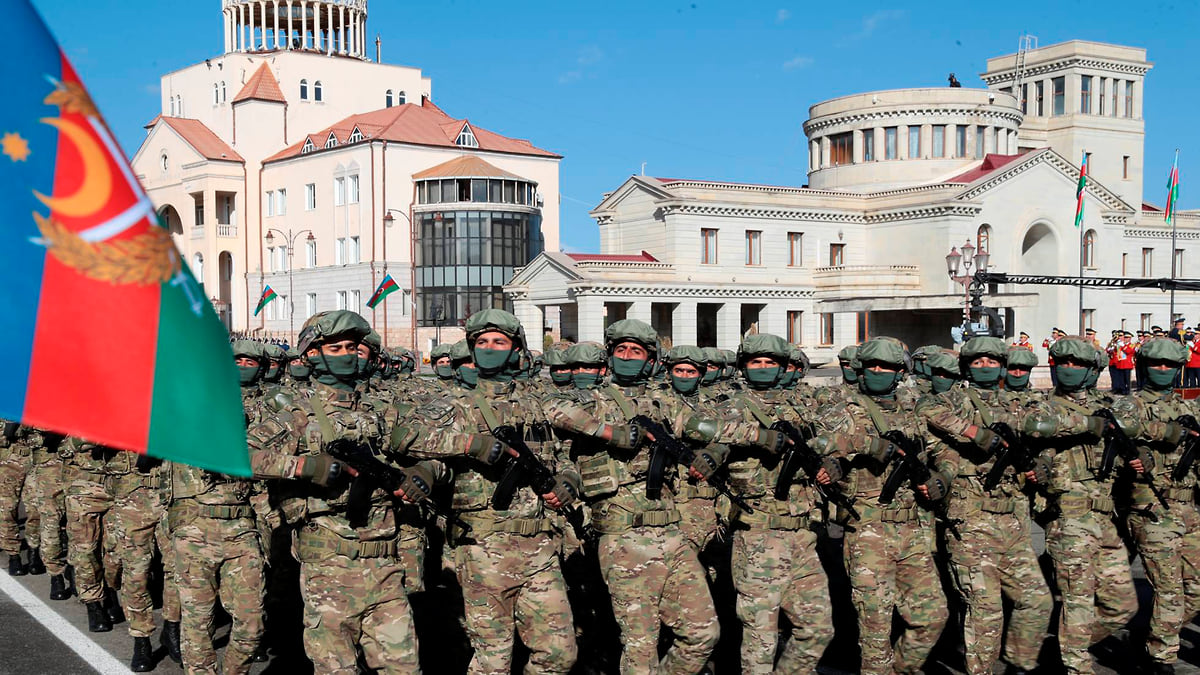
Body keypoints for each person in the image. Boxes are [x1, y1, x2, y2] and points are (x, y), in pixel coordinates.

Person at [248, 310, 441, 673]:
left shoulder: (381, 411)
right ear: (311, 355)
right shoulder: (298, 414)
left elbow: (434, 448)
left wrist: (426, 472)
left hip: (386, 563)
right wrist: (305, 466)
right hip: (330, 567)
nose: (347, 354)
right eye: (334, 347)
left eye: (352, 347)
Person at [401, 309, 579, 674]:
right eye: (481, 342)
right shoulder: (456, 403)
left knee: (560, 655)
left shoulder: (539, 403)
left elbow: (564, 459)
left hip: (541, 548)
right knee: (492, 661)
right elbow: (405, 438)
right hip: (484, 549)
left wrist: (568, 484)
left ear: (516, 350)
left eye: (499, 341)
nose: (489, 348)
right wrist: (472, 444)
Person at [544, 319, 720, 674]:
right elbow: (553, 409)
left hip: (673, 535)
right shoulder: (591, 399)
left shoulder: (665, 403)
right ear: (609, 357)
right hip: (623, 538)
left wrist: (716, 453)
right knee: (641, 648)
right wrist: (613, 433)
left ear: (650, 360)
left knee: (703, 634)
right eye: (621, 350)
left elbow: (718, 425)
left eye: (636, 351)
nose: (627, 357)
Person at [810, 336, 948, 675]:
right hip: (868, 529)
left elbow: (943, 452)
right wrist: (868, 444)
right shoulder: (842, 407)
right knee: (875, 631)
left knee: (933, 616)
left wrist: (942, 479)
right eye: (870, 366)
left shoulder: (914, 407)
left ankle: (901, 668)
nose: (877, 372)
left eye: (885, 367)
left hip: (912, 530)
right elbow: (821, 441)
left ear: (900, 372)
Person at [918, 337, 1051, 674]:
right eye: (978, 361)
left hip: (1013, 522)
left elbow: (1046, 436)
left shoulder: (1020, 403)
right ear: (966, 366)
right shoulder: (952, 399)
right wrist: (975, 431)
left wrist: (1042, 465)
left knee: (1036, 601)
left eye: (992, 361)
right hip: (971, 520)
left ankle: (1020, 664)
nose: (986, 366)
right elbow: (927, 412)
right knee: (986, 609)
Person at [165, 338, 267, 674]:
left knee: (252, 627)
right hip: (195, 527)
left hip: (241, 527)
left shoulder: (258, 407)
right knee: (198, 623)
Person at [1113, 337, 1200, 674]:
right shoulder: (1130, 404)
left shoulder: (1190, 407)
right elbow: (1121, 428)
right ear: (1144, 368)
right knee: (1169, 588)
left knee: (1196, 589)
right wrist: (1171, 434)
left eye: (1169, 366)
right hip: (1152, 509)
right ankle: (1160, 659)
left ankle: (1153, 637)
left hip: (1189, 508)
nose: (1162, 370)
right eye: (1156, 365)